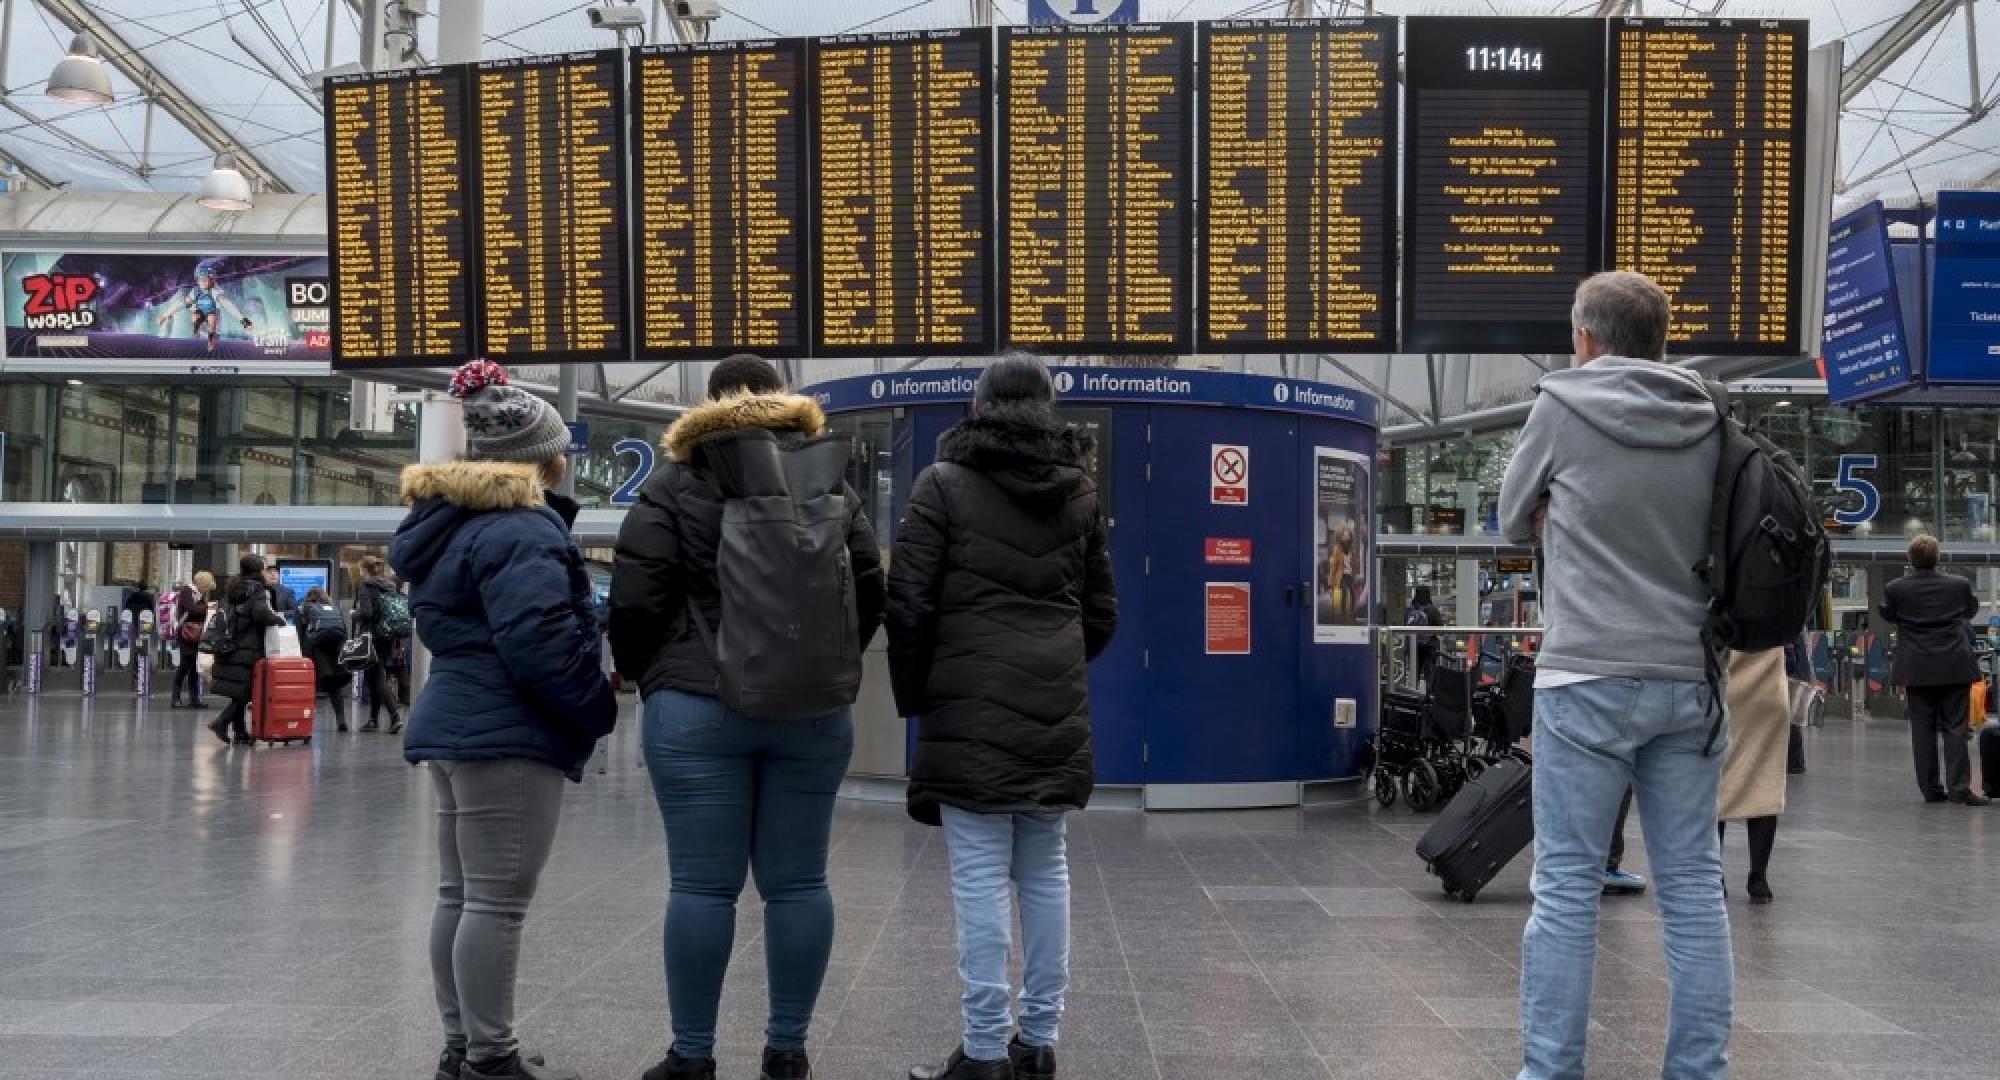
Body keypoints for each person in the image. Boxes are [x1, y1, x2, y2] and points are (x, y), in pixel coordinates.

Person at [608, 353, 885, 1080]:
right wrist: (822, 664)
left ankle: (693, 1056)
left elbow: (635, 600)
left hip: (697, 708)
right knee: (799, 884)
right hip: (815, 710)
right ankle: (787, 1051)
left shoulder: (671, 486)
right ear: (781, 399)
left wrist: (655, 672)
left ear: (709, 406)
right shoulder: (833, 482)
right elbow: (868, 590)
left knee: (702, 887)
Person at [1497, 271, 1732, 1079]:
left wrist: (1555, 510)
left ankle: (1551, 1071)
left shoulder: (1561, 405)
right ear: (1661, 340)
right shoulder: (1711, 413)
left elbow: (1505, 515)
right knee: (1696, 888)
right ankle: (1698, 1071)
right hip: (1688, 679)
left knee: (1564, 888)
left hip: (1584, 675)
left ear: (1586, 339)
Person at [889, 356, 1118, 1080]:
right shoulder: (1079, 490)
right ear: (1048, 409)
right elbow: (1102, 612)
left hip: (968, 700)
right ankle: (1038, 1042)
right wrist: (1051, 656)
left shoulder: (942, 485)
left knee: (980, 875)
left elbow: (910, 606)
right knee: (1045, 867)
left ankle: (984, 1050)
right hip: (1054, 701)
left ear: (978, 405)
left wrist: (920, 693)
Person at [393, 359, 619, 1080]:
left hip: (456, 724)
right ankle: (492, 1056)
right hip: (507, 734)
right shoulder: (522, 529)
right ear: (540, 461)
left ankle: (465, 1044)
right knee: (494, 903)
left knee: (460, 895)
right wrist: (596, 707)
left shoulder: (451, 526)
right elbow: (540, 641)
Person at [1880, 534, 1989, 806]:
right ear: (1938, 558)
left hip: (1917, 669)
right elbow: (1970, 611)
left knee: (1922, 729)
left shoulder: (1896, 588)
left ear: (1910, 558)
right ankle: (1960, 789)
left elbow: (1888, 614)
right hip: (1954, 665)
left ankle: (1931, 790)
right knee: (1956, 728)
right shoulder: (1960, 585)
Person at [1717, 644, 1793, 904]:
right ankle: (1758, 879)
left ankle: (1715, 876)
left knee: (1718, 781)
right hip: (1768, 688)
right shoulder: (1779, 601)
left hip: (1724, 681)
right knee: (1765, 780)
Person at [205, 555, 285, 746]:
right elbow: (260, 614)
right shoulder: (257, 589)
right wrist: (278, 619)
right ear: (258, 571)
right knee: (249, 690)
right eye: (265, 569)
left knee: (238, 690)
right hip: (248, 648)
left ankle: (240, 732)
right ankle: (222, 721)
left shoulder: (232, 588)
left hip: (228, 646)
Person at [352, 554, 406, 733]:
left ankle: (394, 716)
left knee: (377, 677)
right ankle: (373, 719)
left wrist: (355, 614)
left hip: (372, 637)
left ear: (364, 569)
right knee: (373, 676)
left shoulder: (366, 585)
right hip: (387, 637)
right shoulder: (388, 586)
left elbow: (366, 613)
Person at [298, 586, 350, 733]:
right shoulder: (333, 607)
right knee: (335, 687)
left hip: (317, 649)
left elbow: (300, 631)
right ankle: (341, 720)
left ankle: (304, 721)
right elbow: (344, 629)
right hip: (336, 647)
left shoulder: (306, 607)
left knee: (309, 687)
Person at [171, 571, 213, 708]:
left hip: (195, 635)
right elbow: (192, 610)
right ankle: (175, 698)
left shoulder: (199, 594)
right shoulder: (187, 592)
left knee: (195, 667)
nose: (207, 590)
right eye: (206, 586)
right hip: (186, 634)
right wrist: (208, 607)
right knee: (184, 665)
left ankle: (194, 699)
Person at [1406, 585, 1443, 682]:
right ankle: (1429, 693)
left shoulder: (1410, 610)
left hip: (1414, 646)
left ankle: (1413, 692)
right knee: (1429, 672)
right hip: (1429, 646)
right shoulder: (1432, 610)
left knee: (1414, 672)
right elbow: (1441, 628)